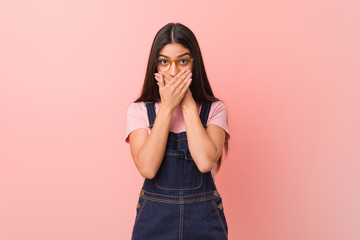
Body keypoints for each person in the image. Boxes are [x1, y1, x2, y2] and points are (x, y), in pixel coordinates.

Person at [125, 22, 230, 240]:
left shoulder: (215, 109)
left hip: (204, 222)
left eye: (182, 61)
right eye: (164, 62)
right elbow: (147, 168)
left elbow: (204, 161)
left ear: (195, 64)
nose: (173, 72)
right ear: (155, 66)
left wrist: (188, 105)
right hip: (154, 223)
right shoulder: (139, 111)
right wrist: (168, 107)